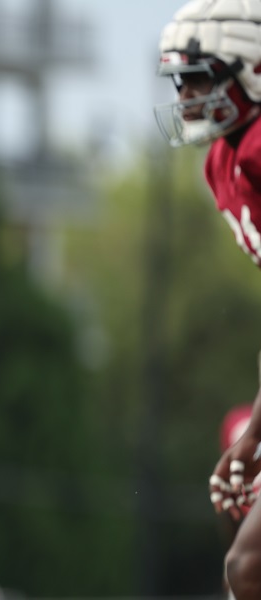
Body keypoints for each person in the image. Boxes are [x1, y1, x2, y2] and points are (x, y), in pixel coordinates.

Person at [156, 1, 261, 598]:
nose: (188, 96)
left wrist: (254, 436)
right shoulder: (223, 162)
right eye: (180, 81)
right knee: (244, 555)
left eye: (200, 77)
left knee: (248, 568)